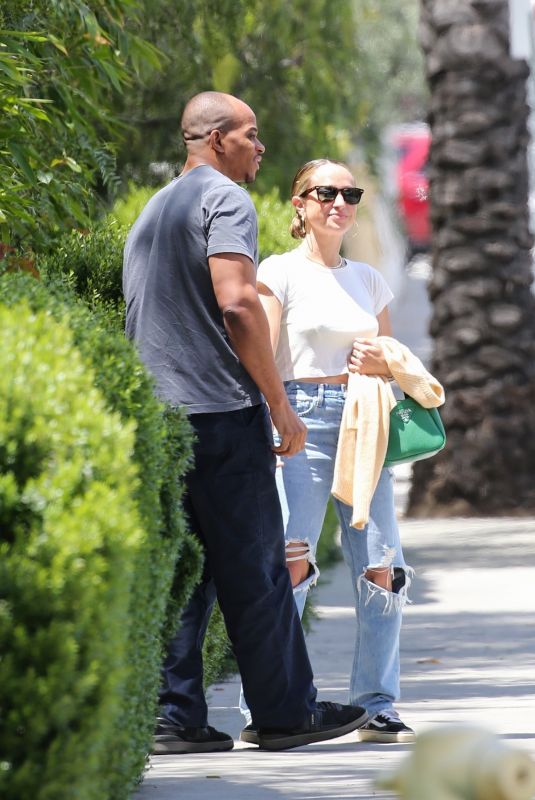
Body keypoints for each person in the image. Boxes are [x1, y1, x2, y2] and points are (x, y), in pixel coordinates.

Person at [122, 94, 368, 754]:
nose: (259, 147)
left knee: (192, 575)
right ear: (213, 138)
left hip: (163, 418)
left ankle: (174, 718)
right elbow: (236, 306)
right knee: (258, 570)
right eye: (249, 134)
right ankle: (286, 714)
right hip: (222, 416)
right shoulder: (222, 200)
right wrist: (277, 403)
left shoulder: (154, 208)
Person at [239, 158, 416, 744]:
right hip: (301, 421)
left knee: (382, 568)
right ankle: (271, 703)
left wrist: (381, 361)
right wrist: (274, 420)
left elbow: (394, 361)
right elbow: (262, 356)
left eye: (350, 193)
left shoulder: (369, 280)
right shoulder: (278, 273)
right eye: (326, 192)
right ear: (300, 204)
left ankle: (378, 703)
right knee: (291, 564)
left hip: (366, 423)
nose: (339, 202)